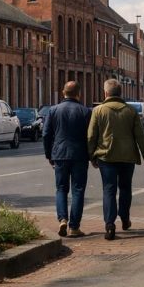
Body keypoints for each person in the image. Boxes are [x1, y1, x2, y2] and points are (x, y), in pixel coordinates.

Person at [88, 78, 144, 241]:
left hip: (106, 156)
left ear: (105, 93)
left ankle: (110, 224)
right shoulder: (130, 111)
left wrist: (92, 156)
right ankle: (124, 218)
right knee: (125, 188)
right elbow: (140, 136)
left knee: (109, 189)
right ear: (121, 93)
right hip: (127, 157)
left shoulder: (98, 111)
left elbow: (91, 136)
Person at [43, 81, 91, 238]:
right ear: (79, 94)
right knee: (78, 190)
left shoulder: (53, 110)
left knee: (61, 189)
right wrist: (92, 155)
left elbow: (46, 134)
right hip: (80, 155)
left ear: (63, 93)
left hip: (60, 154)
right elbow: (91, 136)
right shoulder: (85, 111)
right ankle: (74, 227)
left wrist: (49, 154)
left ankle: (62, 219)